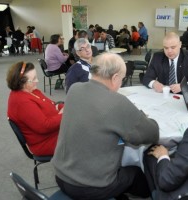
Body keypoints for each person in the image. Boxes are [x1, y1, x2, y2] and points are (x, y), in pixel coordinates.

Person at [52, 52, 159, 200]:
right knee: (137, 174)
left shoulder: (74, 89)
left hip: (61, 176)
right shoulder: (117, 102)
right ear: (115, 78)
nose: (121, 83)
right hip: (92, 187)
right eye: (122, 79)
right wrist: (142, 117)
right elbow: (152, 133)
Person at [7, 61, 64, 156]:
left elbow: (52, 104)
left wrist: (64, 107)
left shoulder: (31, 90)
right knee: (84, 133)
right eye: (33, 79)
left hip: (55, 131)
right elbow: (45, 126)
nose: (37, 81)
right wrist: (64, 114)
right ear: (21, 82)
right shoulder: (21, 102)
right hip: (45, 142)